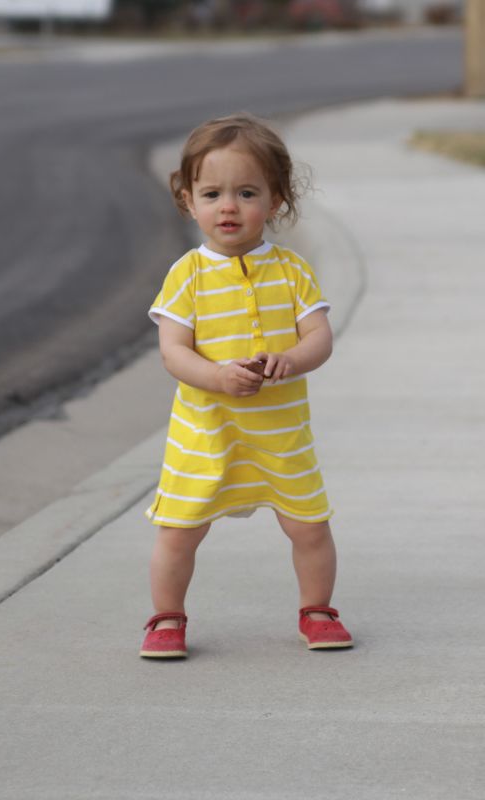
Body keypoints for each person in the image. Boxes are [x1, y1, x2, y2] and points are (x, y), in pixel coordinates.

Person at [140, 113, 353, 658]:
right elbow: (173, 351)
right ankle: (166, 619)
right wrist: (215, 376)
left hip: (280, 431)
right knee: (179, 529)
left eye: (247, 192)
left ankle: (318, 610)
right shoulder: (186, 274)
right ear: (188, 200)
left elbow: (320, 339)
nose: (228, 206)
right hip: (206, 432)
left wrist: (290, 358)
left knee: (309, 525)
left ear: (276, 200)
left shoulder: (291, 271)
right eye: (212, 193)